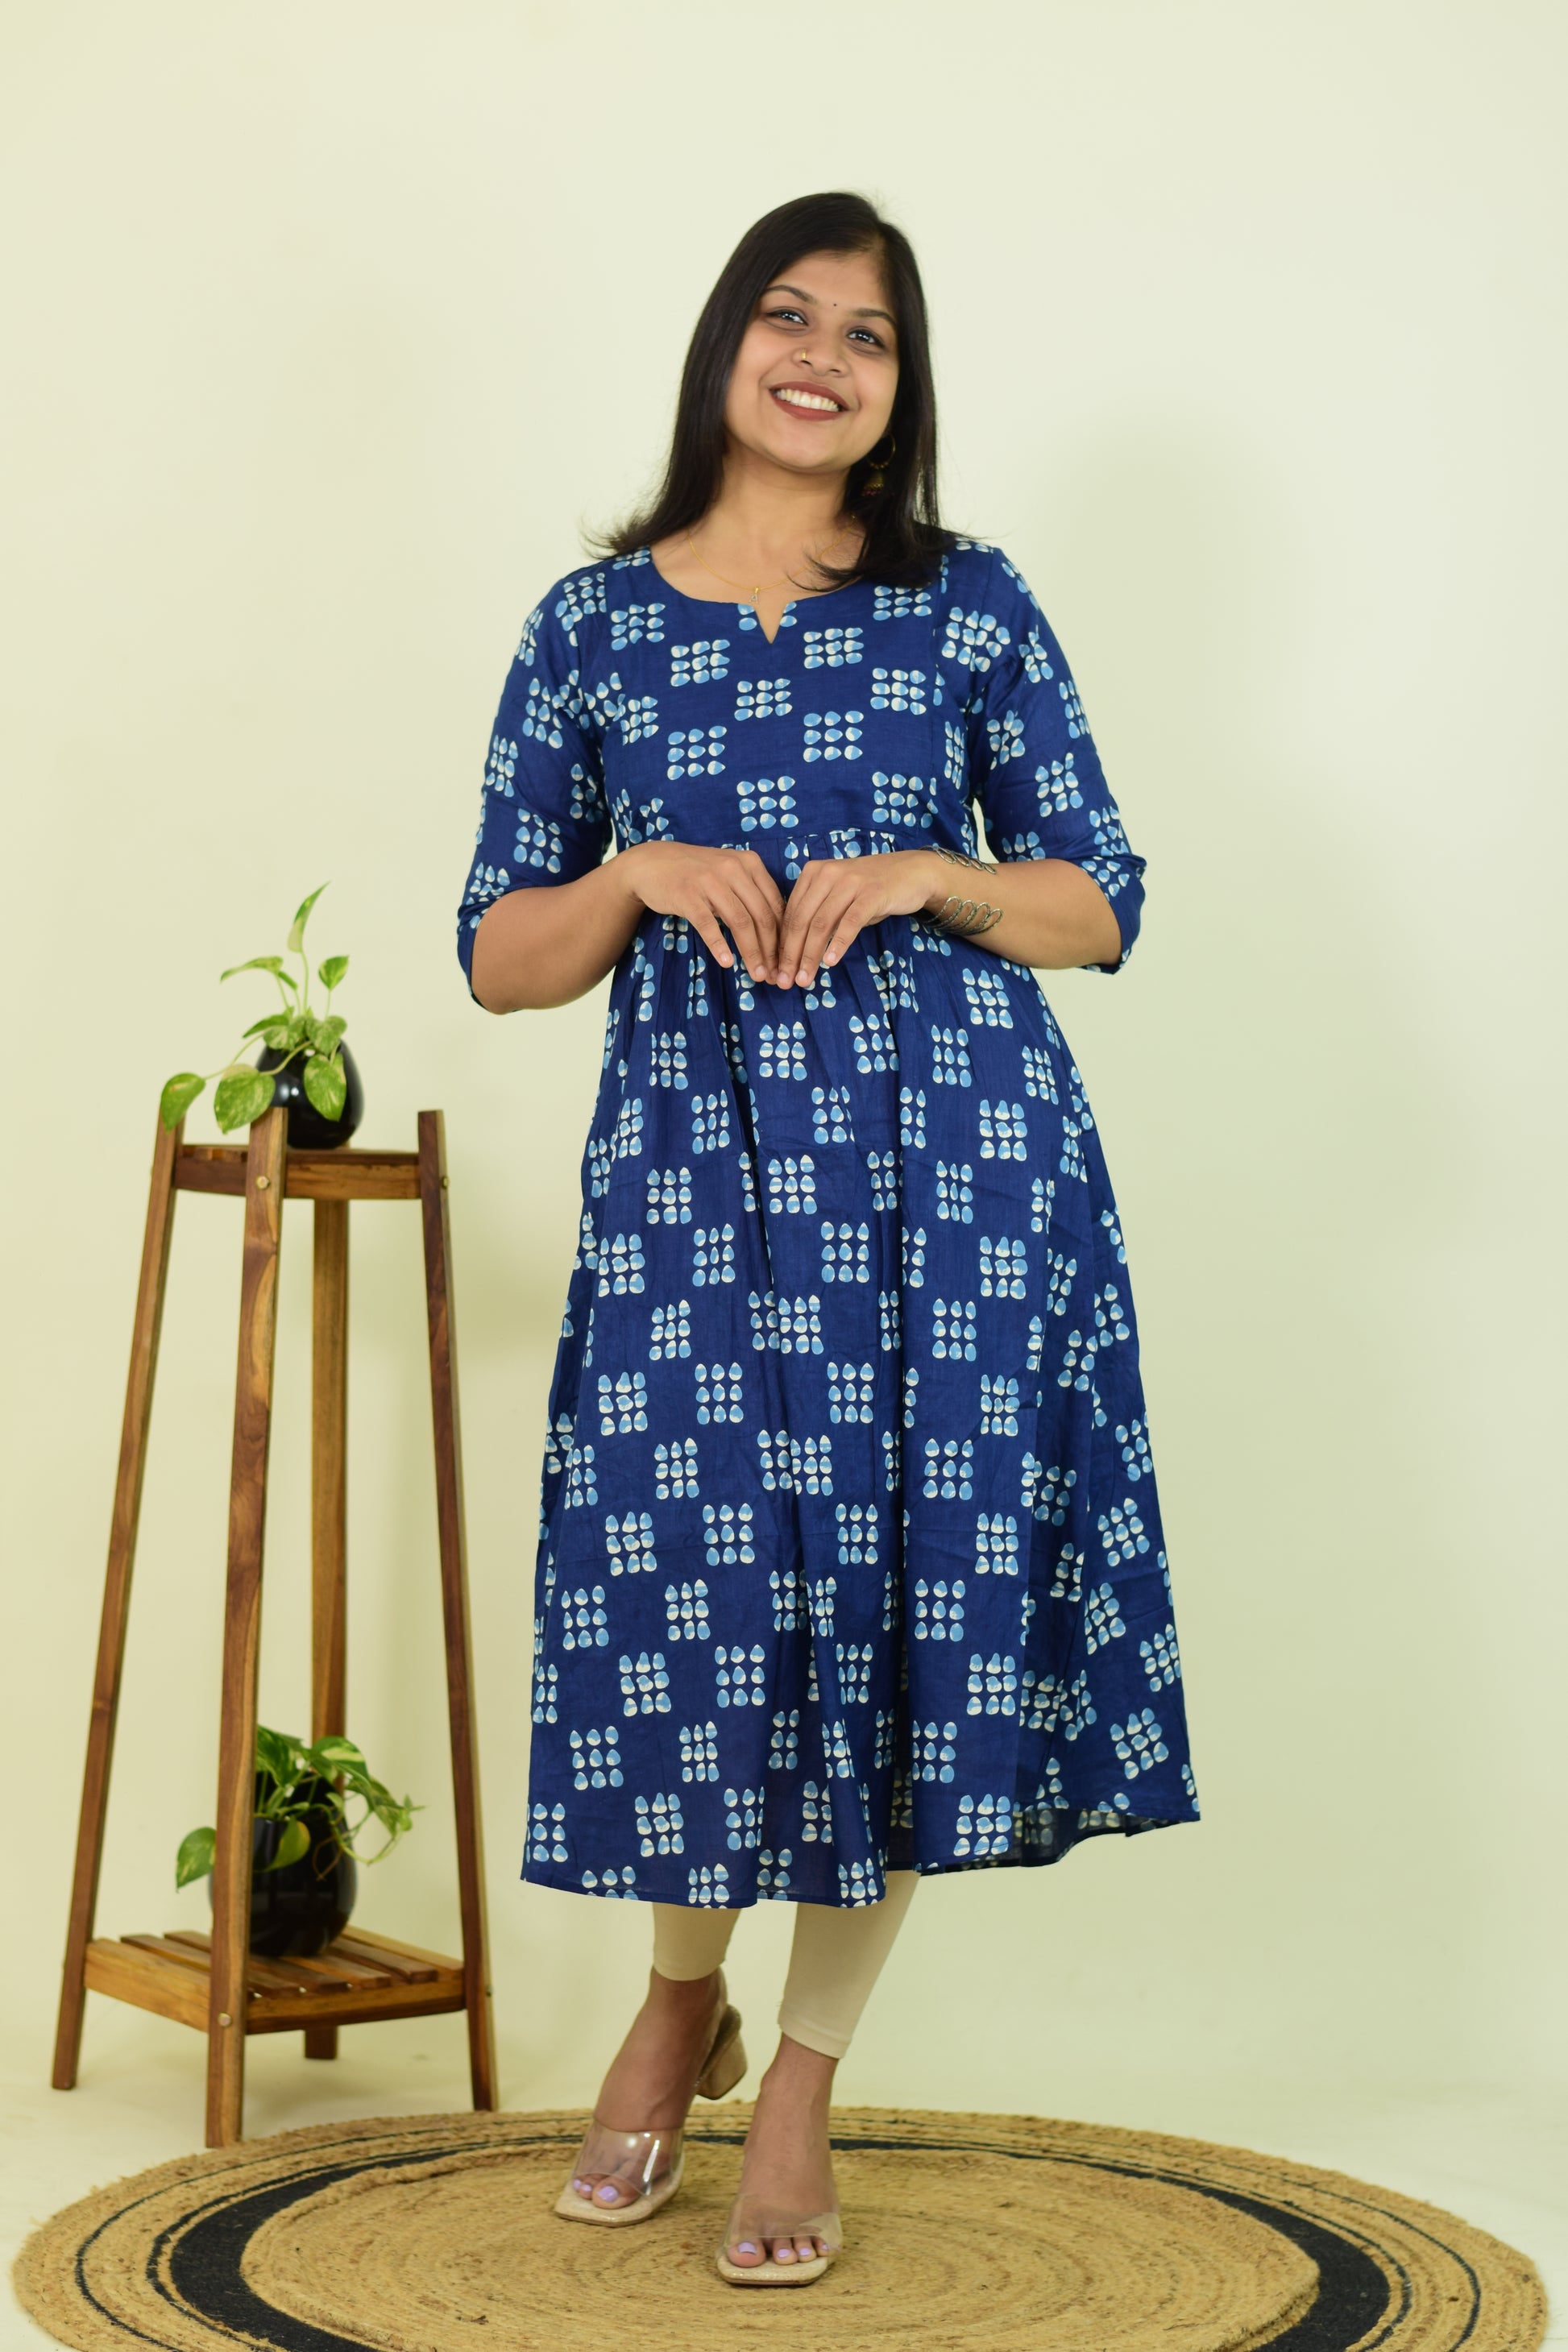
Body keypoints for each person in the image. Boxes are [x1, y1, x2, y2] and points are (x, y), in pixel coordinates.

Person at [457, 189, 1198, 2288]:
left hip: (953, 1184)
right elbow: (501, 953)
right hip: (696, 1189)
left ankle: (799, 2075)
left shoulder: (967, 606)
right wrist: (639, 872)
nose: (821, 356)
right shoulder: (591, 626)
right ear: (722, 345)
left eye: (867, 333)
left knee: (897, 1617)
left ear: (901, 386)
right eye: (787, 315)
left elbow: (1101, 901)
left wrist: (926, 873)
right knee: (700, 1602)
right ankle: (675, 1997)